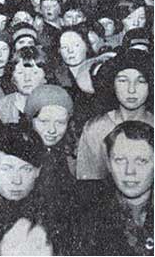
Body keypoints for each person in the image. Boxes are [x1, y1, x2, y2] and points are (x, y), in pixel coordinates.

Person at [76, 121, 154, 255]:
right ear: (108, 163)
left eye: (141, 161)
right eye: (120, 160)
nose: (129, 171)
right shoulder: (86, 214)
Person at [77, 49, 153, 180]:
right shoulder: (95, 129)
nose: (131, 90)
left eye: (141, 81)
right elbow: (88, 184)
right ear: (112, 84)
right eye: (123, 81)